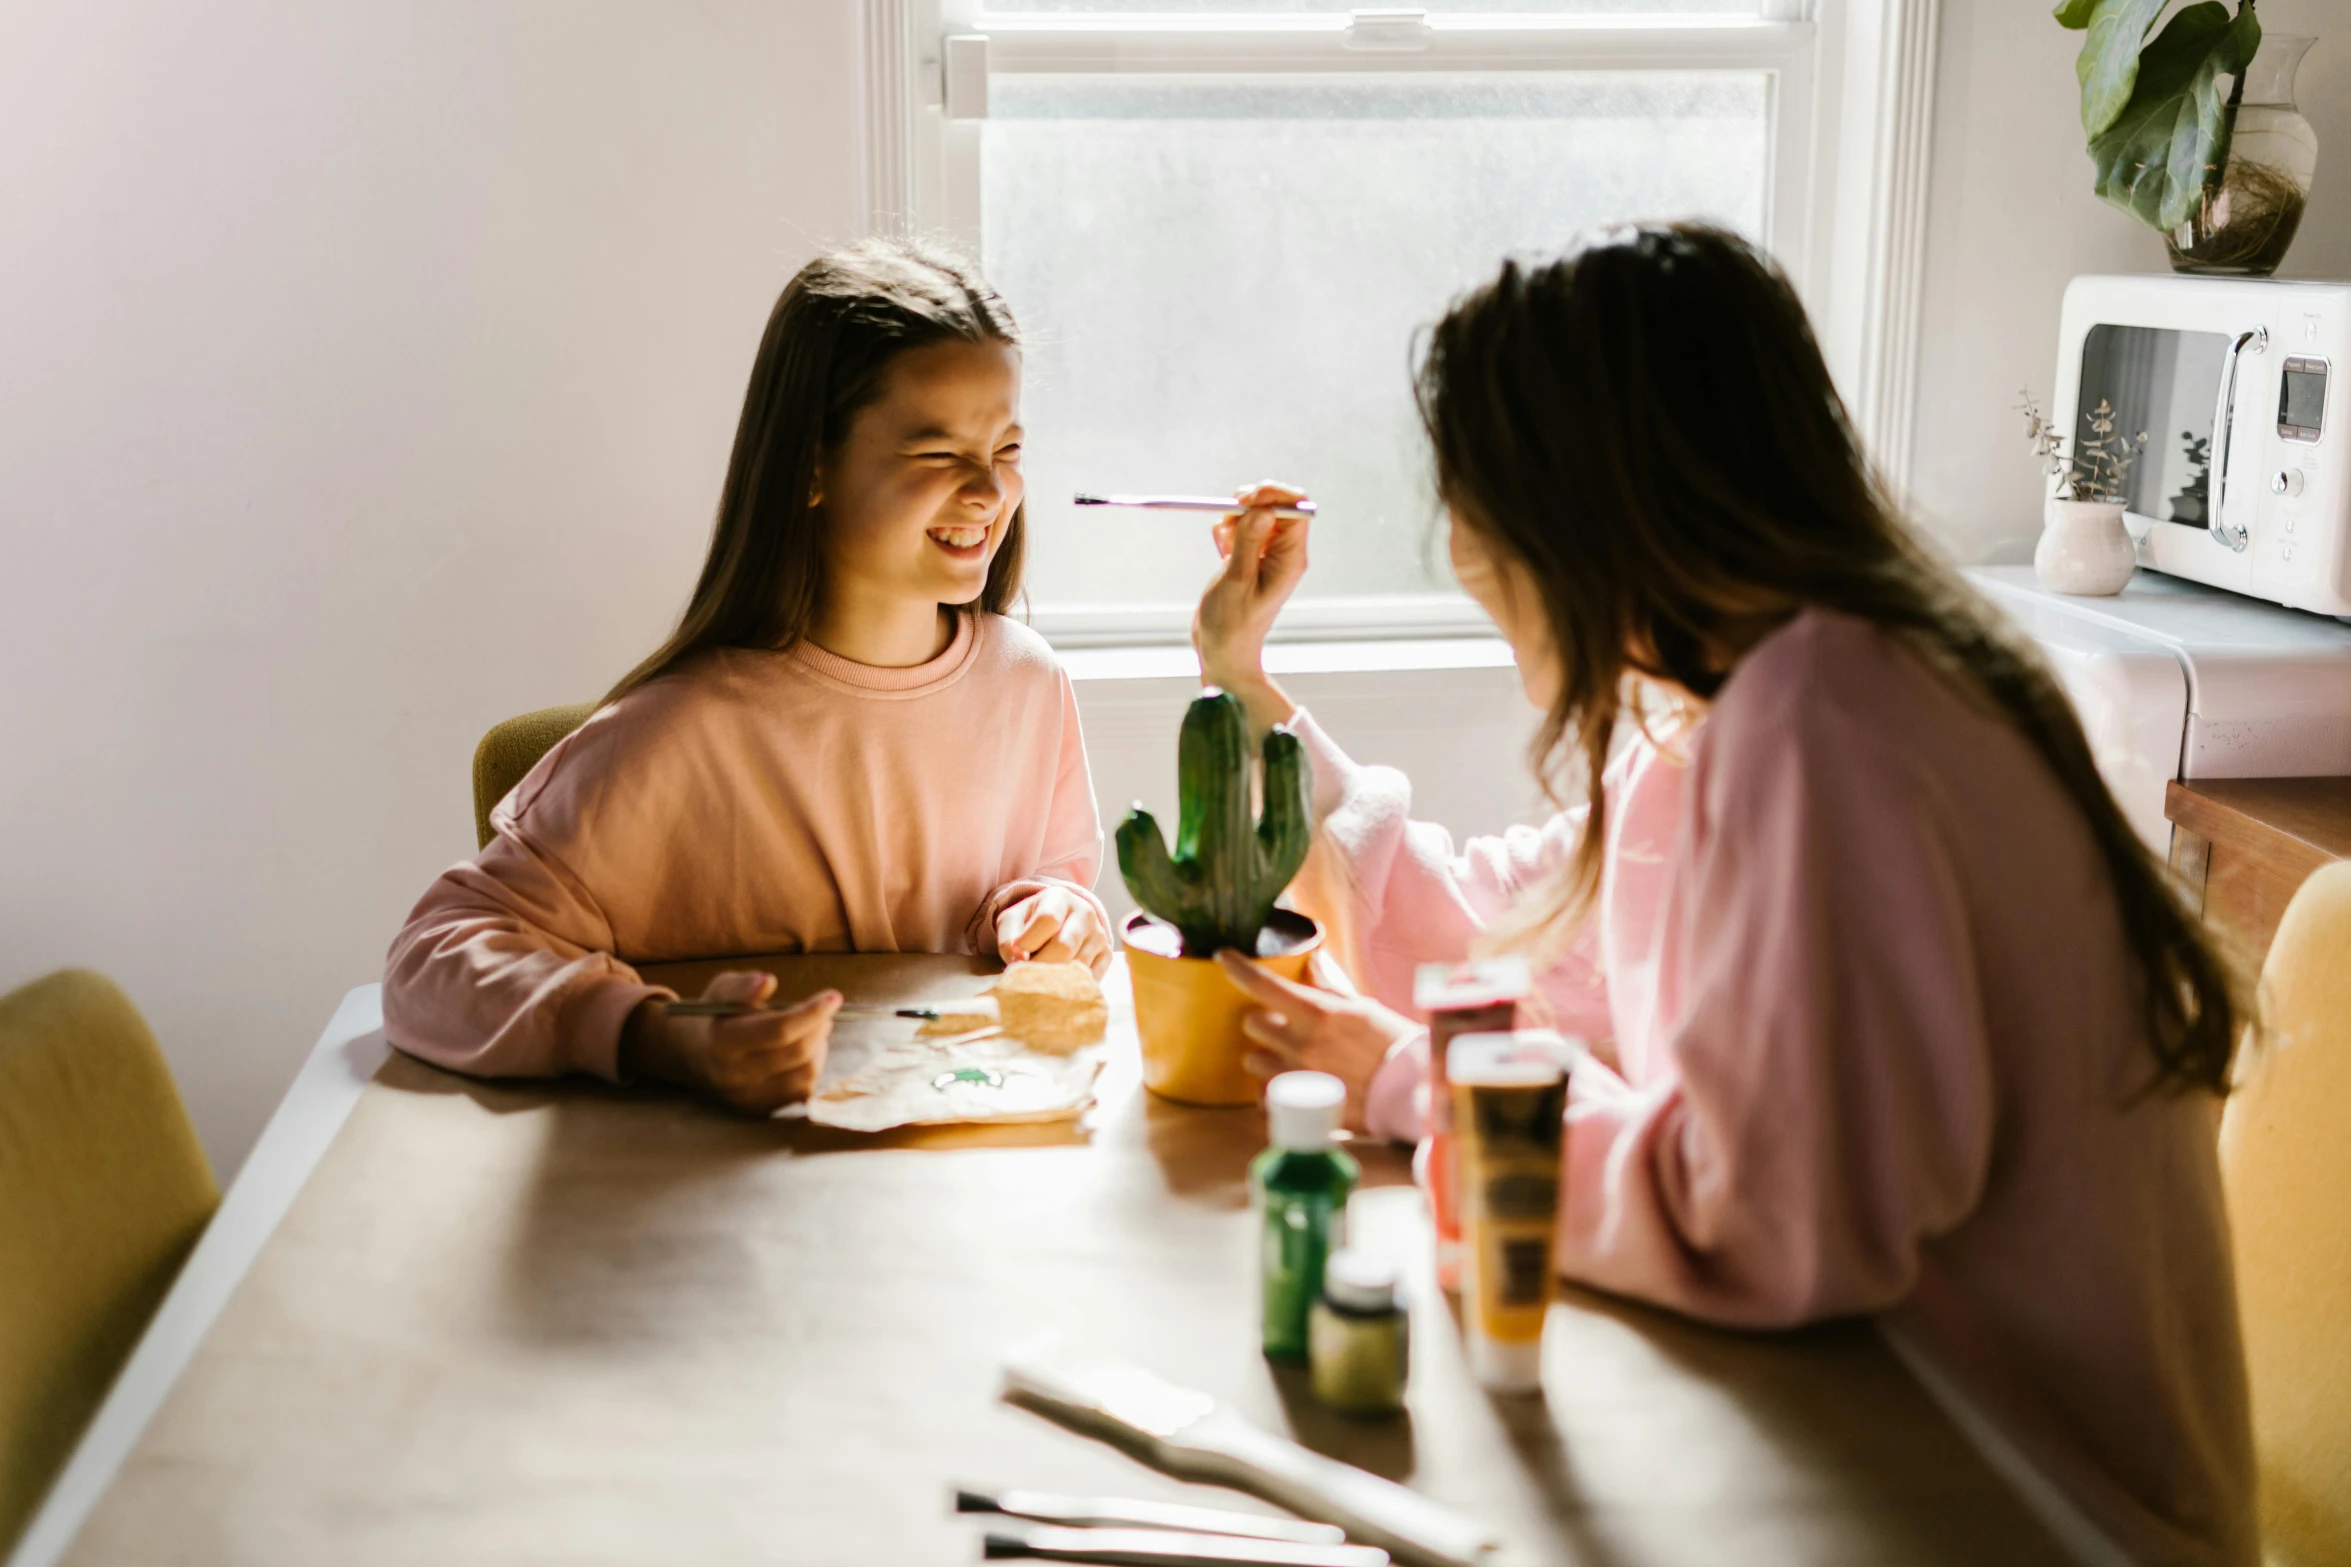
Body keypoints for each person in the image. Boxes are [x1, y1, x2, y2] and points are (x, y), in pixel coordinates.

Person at [1198, 226, 2254, 1565]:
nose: (1454, 541)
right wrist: (1244, 678)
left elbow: (1771, 1225)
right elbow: (1477, 938)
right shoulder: (1740, 704)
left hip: (2027, 1504)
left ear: (1581, 498)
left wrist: (1412, 1083)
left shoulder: (1825, 718)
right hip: (1884, 1439)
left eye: (1469, 494)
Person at [384, 240, 1108, 1115]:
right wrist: (654, 1034)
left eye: (1006, 446)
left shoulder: (1028, 688)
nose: (989, 489)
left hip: (951, 1176)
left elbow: (1059, 882)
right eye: (935, 452)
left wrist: (1056, 915)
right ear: (810, 465)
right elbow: (432, 959)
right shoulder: (673, 734)